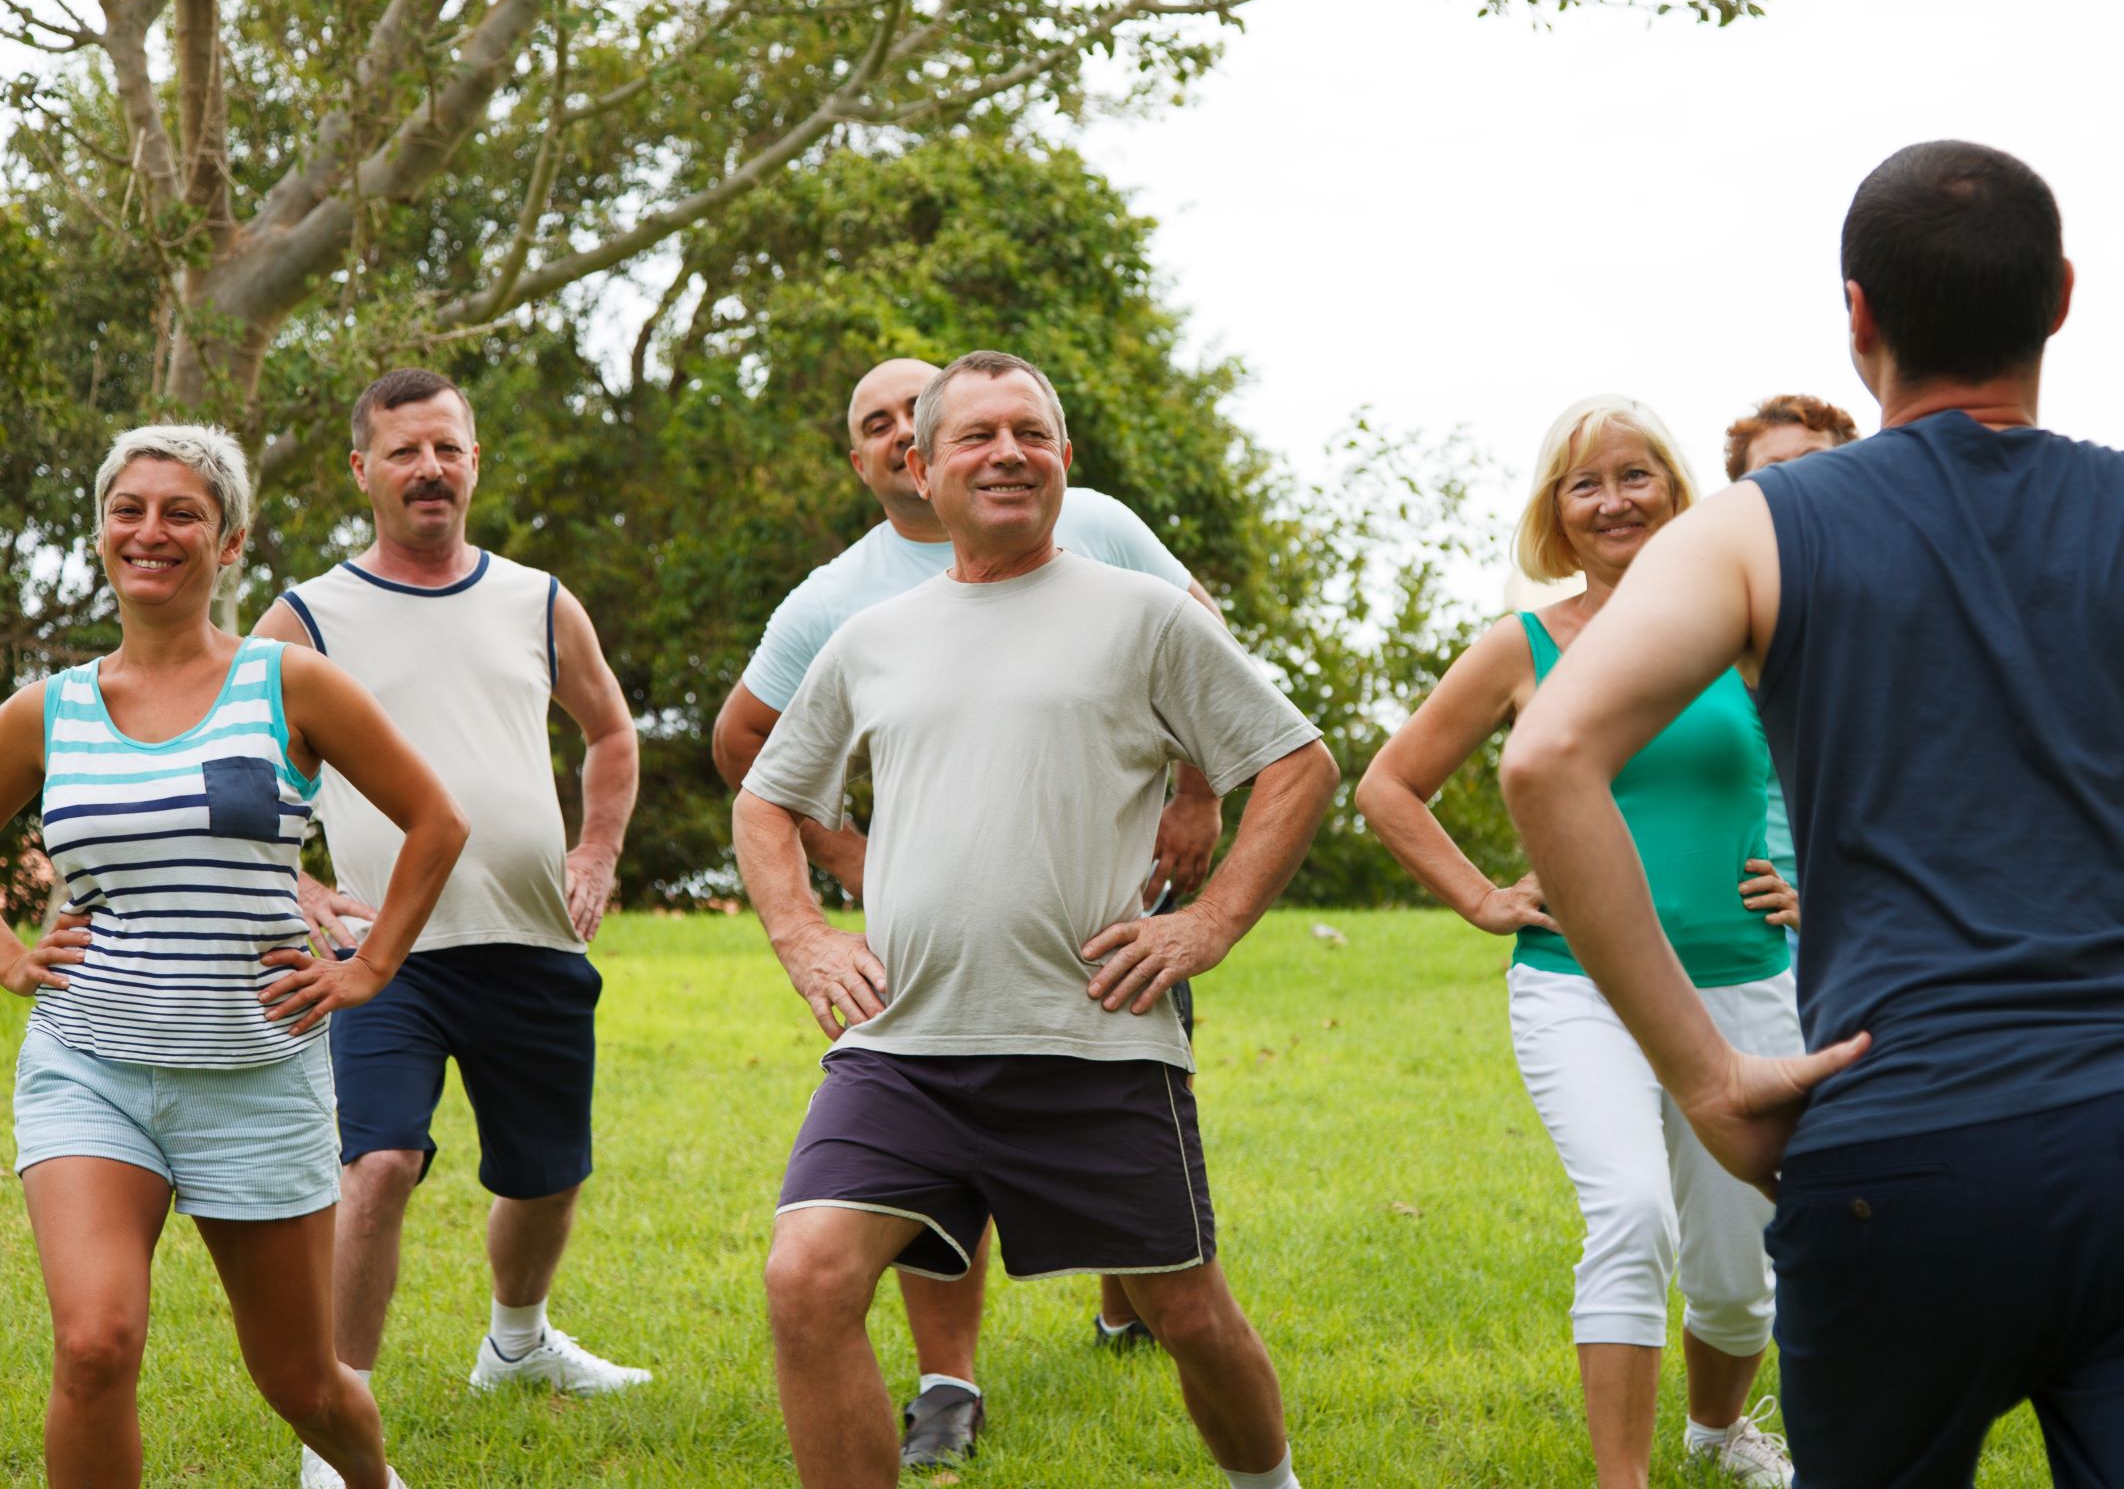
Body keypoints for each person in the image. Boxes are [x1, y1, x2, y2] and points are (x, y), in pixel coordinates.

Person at [1500, 139, 2124, 1489]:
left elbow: (1546, 758)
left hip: (1889, 1163)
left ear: (1857, 312)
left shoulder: (1753, 533)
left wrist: (1708, 1079)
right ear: (2061, 299)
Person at [734, 350, 1337, 1489]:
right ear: (918, 463)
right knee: (806, 1278)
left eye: (1031, 432)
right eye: (977, 435)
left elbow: (1299, 763)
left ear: (1067, 458)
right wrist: (805, 935)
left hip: (1091, 1043)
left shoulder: (1144, 615)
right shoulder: (872, 634)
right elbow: (765, 792)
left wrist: (1205, 925)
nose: (1007, 452)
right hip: (904, 1047)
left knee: (1188, 1312)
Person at [2, 424, 468, 1489]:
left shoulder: (288, 685)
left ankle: (370, 1478)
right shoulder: (50, 711)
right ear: (101, 534)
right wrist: (14, 957)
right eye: (130, 510)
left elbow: (436, 821)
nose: (151, 532)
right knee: (92, 1345)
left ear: (230, 540)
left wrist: (370, 967)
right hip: (91, 1071)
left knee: (303, 1381)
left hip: (257, 1080)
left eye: (182, 514)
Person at [1357, 395, 1802, 1488]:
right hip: (1578, 985)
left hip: (1742, 985)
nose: (1614, 500)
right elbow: (1389, 785)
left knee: (1739, 1278)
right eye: (1586, 483)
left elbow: (1862, 769)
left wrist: (1812, 877)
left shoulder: (1751, 635)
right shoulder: (1524, 644)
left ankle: (1715, 1432)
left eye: (1636, 474)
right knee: (1632, 1210)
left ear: (1677, 490)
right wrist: (1479, 897)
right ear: (1556, 511)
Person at [255, 370, 647, 1488]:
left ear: (474, 460)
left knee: (545, 1175)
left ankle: (516, 1345)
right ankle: (337, 1424)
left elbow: (611, 735)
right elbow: (230, 761)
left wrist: (596, 852)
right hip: (386, 957)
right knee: (378, 1162)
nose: (429, 469)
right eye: (404, 451)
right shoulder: (309, 615)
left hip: (531, 942)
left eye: (448, 448)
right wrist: (295, 890)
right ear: (361, 470)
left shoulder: (537, 599)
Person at [1719, 395, 1862, 906]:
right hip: (1756, 926)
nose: (1799, 484)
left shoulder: (1888, 611)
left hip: (1873, 918)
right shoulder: (1717, 623)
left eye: (1816, 463)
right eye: (1774, 472)